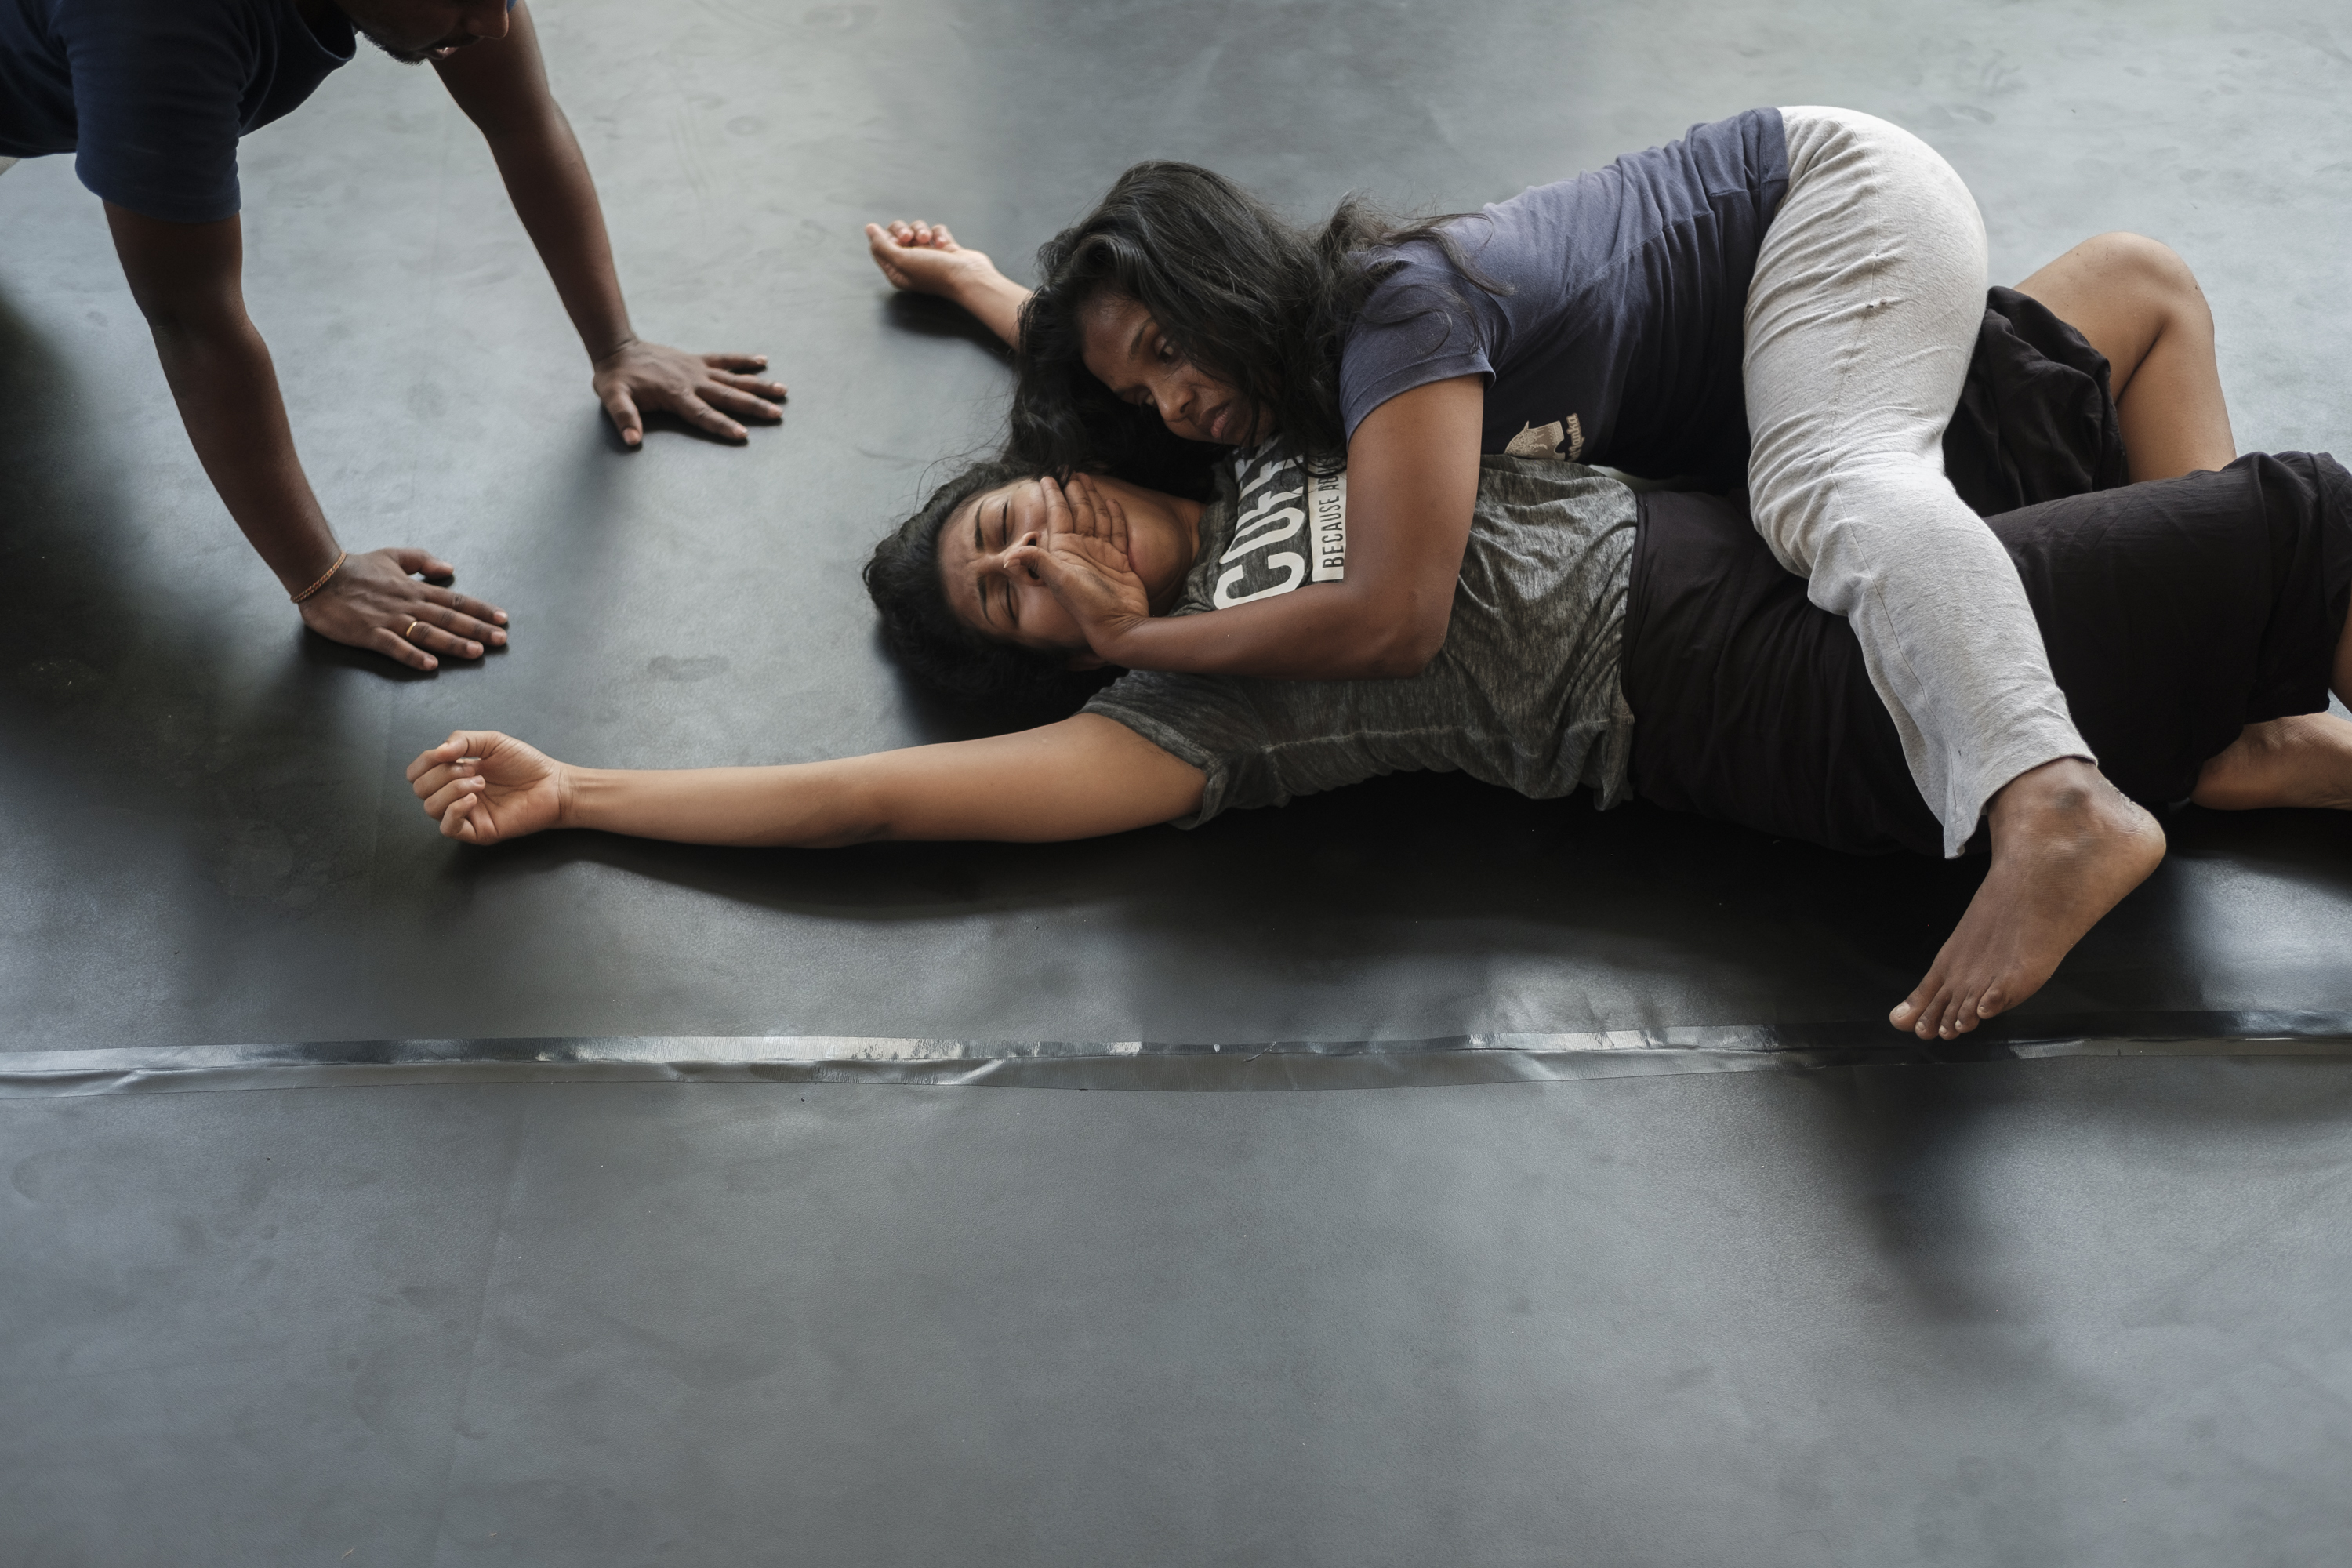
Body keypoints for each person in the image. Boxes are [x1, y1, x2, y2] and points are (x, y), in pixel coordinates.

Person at [862, 125, 2239, 1033]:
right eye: (1137, 394)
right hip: (1787, 368)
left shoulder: (1394, 315)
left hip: (1824, 214)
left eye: (1171, 357)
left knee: (1828, 487)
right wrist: (984, 290)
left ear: (1223, 288)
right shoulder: (1267, 393)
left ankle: (2050, 796)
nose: (1169, 409)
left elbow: (1395, 620)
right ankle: (2256, 702)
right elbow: (1134, 382)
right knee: (2126, 297)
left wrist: (1138, 635)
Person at [406, 429, 2352, 1041]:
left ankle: (2211, 755)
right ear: (1043, 661)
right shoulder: (1184, 706)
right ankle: (2115, 780)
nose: (1040, 551)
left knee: (2243, 697)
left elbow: (1095, 323)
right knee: (2299, 519)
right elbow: (871, 802)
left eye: (1021, 515)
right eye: (1008, 592)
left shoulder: (1257, 440)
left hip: (1812, 582)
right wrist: (583, 788)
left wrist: (975, 282)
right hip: (1789, 694)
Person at [0, 0, 791, 671]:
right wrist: (321, 577)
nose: (497, 21)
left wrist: (616, 344)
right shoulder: (160, 23)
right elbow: (191, 319)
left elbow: (521, 118)